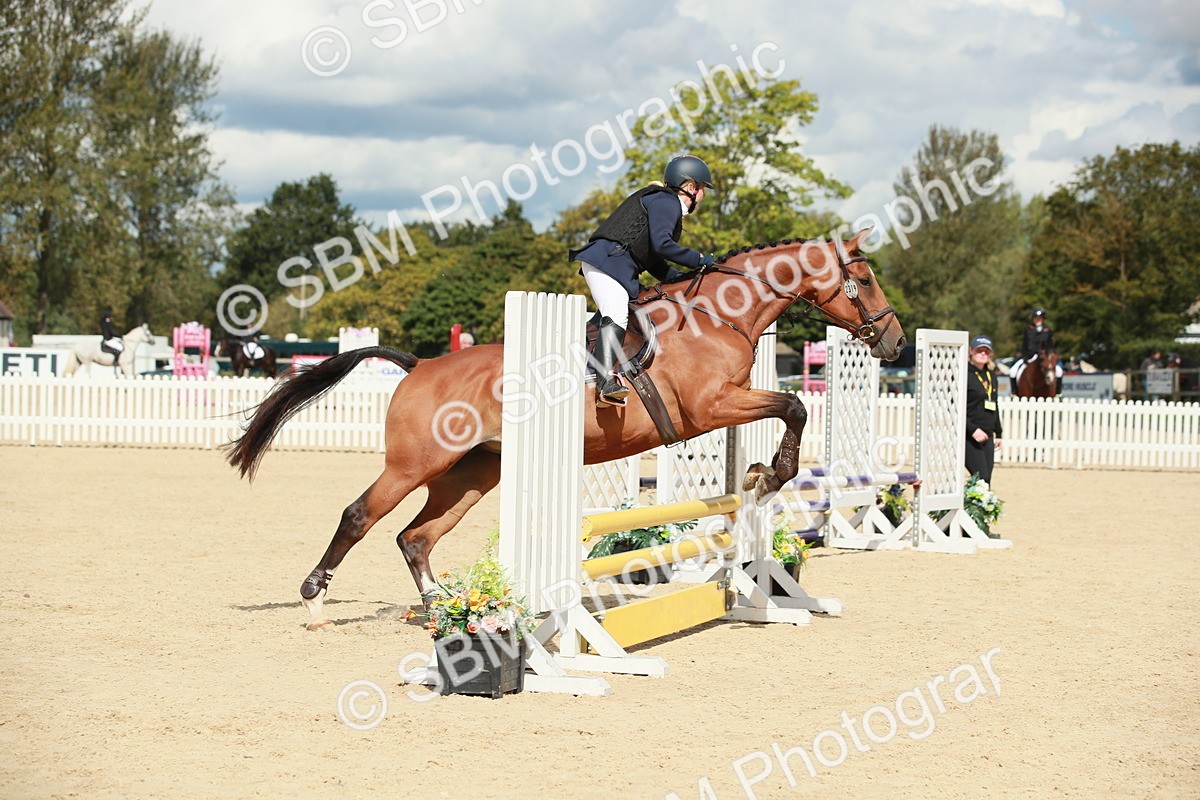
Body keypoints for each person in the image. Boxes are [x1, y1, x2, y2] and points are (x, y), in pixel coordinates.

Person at [569, 154, 717, 406]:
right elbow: (663, 246)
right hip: (607, 263)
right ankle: (604, 384)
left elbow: (654, 261)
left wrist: (680, 278)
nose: (703, 197)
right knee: (617, 313)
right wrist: (699, 259)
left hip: (615, 266)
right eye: (703, 189)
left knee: (624, 312)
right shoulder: (666, 202)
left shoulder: (663, 203)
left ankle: (584, 362)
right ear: (691, 187)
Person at [965, 334, 1003, 484]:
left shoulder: (991, 375)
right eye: (979, 350)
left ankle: (975, 507)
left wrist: (998, 432)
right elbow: (957, 409)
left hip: (987, 435)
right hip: (969, 435)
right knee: (981, 477)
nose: (982, 354)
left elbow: (994, 404)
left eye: (986, 351)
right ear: (971, 351)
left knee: (986, 481)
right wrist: (972, 430)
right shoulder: (965, 374)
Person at [1010, 306, 1061, 385]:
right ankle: (1014, 392)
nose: (1038, 320)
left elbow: (1050, 346)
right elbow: (1025, 344)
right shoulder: (1028, 330)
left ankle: (1058, 393)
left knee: (1059, 372)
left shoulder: (1047, 330)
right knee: (1013, 371)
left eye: (1040, 318)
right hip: (1030, 356)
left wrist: (1052, 356)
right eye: (1036, 318)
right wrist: (1024, 357)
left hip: (1045, 357)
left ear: (1043, 319)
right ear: (1033, 319)